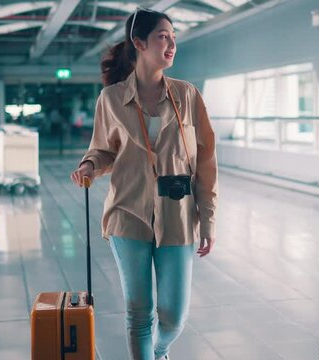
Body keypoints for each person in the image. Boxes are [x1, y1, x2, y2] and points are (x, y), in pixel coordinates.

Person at [69, 8, 218, 360]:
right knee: (138, 313)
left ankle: (159, 350)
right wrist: (89, 164)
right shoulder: (111, 99)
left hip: (178, 217)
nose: (171, 44)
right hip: (128, 214)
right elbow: (103, 150)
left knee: (174, 317)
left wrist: (208, 218)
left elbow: (207, 161)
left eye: (173, 37)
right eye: (163, 36)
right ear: (139, 43)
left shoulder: (188, 95)